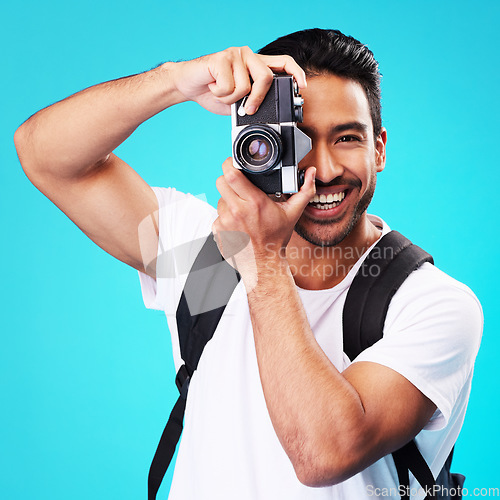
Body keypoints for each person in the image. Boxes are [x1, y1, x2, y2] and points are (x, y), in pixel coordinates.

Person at [15, 28, 482, 499]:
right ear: (257, 146)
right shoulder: (207, 262)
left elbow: (325, 452)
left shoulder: (431, 304)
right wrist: (175, 81)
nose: (323, 169)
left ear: (379, 148)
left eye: (345, 138)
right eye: (296, 141)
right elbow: (46, 156)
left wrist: (261, 258)